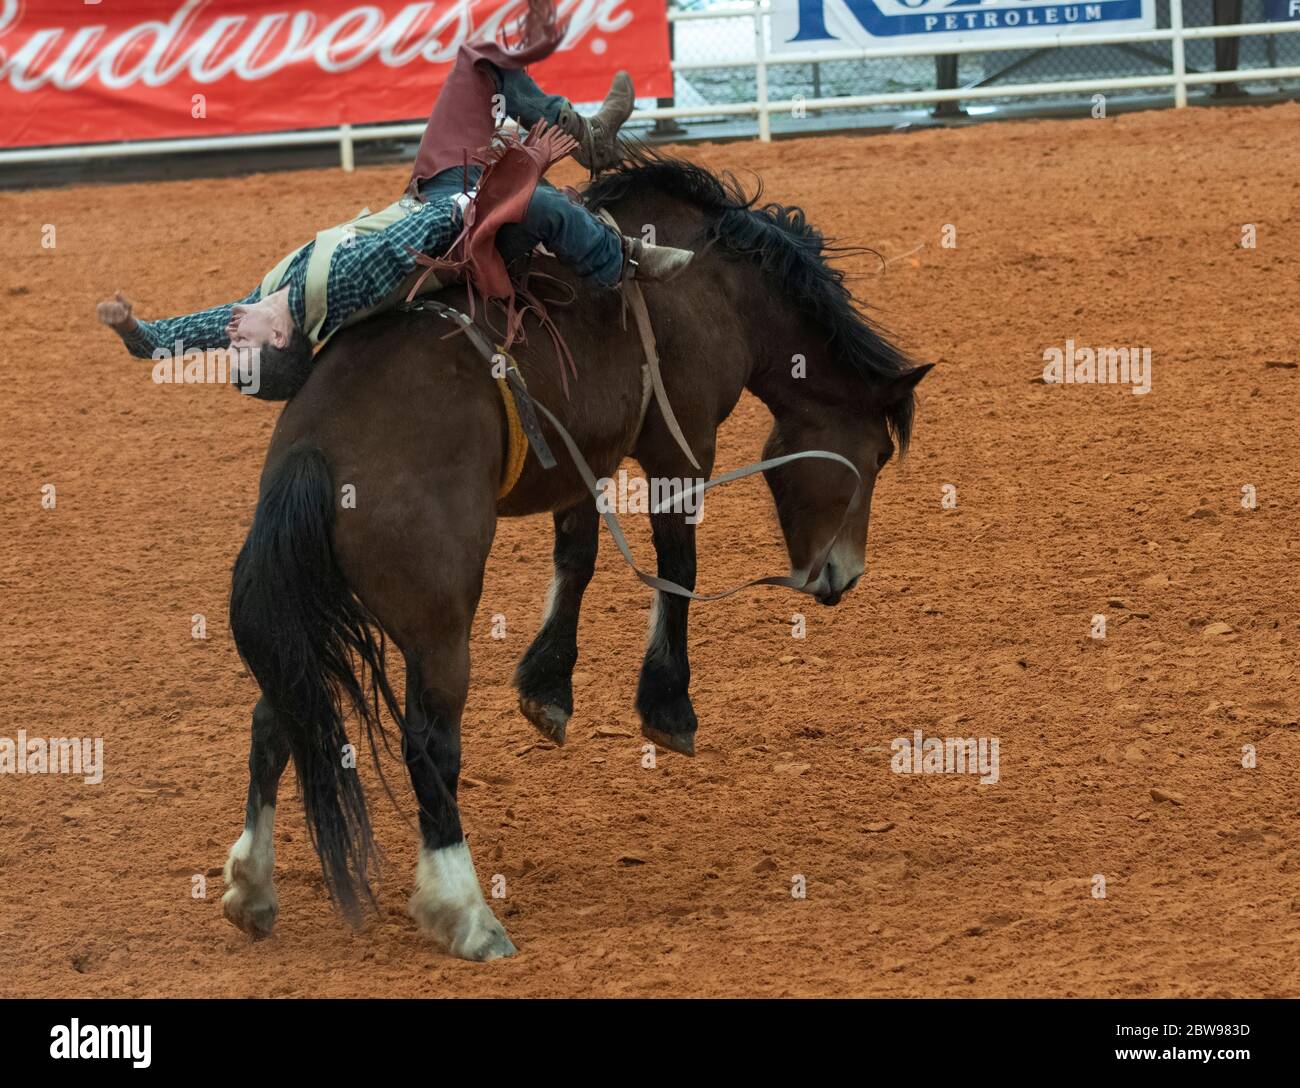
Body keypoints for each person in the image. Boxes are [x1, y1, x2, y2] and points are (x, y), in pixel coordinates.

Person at [96, 0, 692, 380]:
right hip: (445, 210)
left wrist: (133, 330)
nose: (231, 336)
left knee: (474, 64)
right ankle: (621, 256)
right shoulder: (337, 285)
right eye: (244, 349)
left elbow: (177, 340)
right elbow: (419, 235)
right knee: (538, 206)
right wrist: (500, 181)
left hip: (435, 193)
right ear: (279, 337)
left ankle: (589, 137)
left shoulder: (272, 295)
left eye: (237, 349)